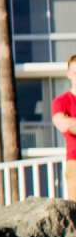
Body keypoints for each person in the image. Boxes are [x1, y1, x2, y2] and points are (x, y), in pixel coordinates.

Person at [50, 55, 76, 203]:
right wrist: (68, 123)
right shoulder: (61, 101)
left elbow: (70, 124)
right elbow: (62, 124)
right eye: (75, 73)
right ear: (68, 74)